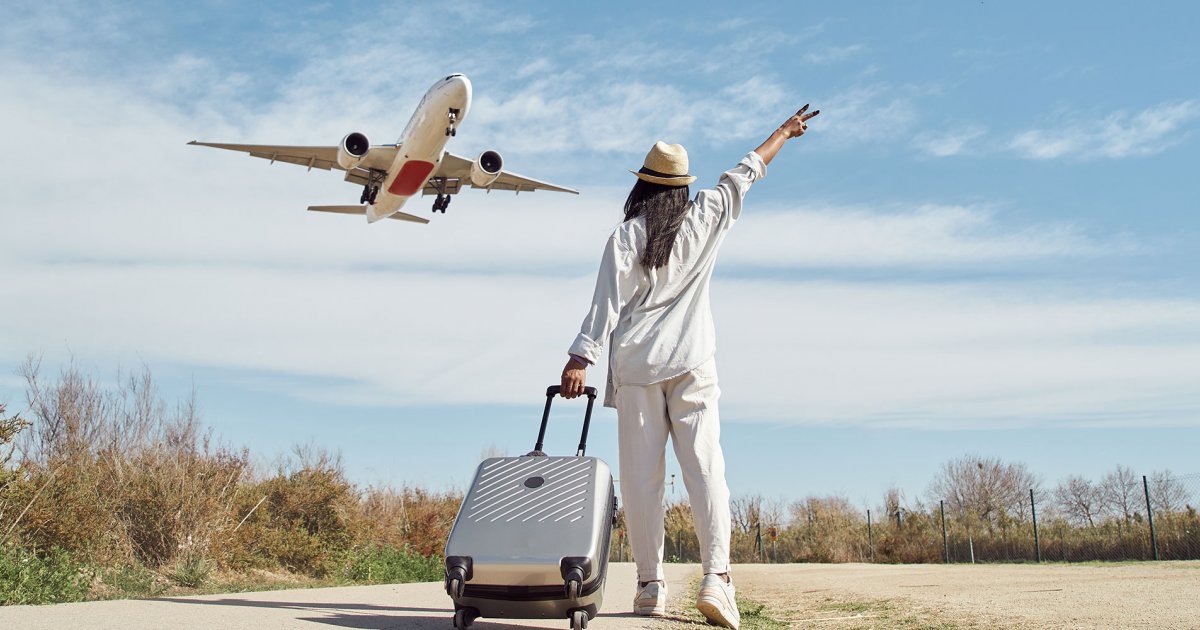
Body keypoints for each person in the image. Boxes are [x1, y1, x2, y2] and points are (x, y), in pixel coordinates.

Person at [559, 105, 819, 629]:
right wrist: (783, 133)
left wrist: (580, 357)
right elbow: (746, 171)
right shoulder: (705, 218)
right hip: (693, 362)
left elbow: (604, 305)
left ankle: (650, 585)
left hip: (637, 369)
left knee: (641, 481)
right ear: (681, 188)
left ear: (643, 186)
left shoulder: (627, 236)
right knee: (705, 470)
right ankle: (717, 579)